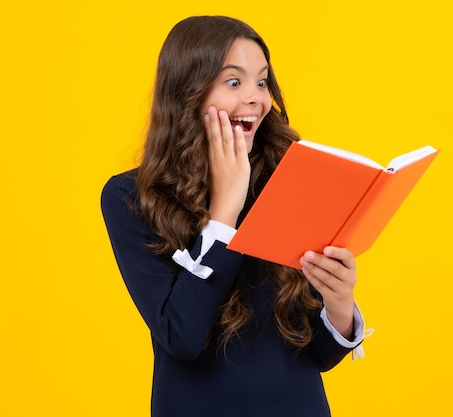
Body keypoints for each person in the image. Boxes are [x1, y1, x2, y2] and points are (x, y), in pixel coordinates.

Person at [101, 15, 366, 417]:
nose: (256, 98)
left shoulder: (288, 178)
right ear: (187, 91)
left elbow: (319, 354)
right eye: (234, 81)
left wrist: (339, 302)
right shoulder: (131, 198)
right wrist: (225, 211)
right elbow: (182, 335)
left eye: (262, 82)